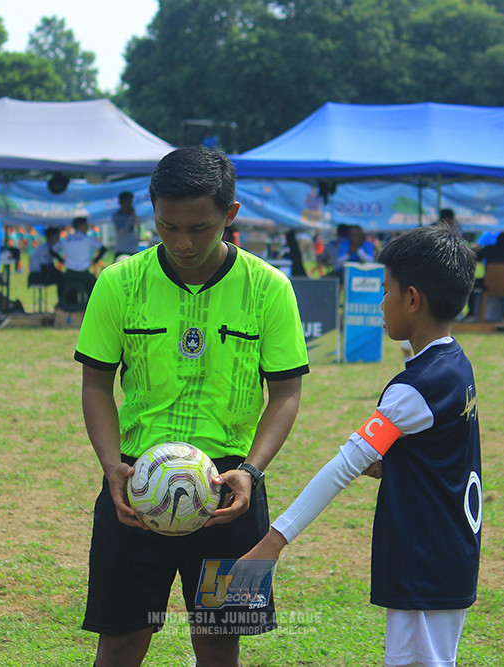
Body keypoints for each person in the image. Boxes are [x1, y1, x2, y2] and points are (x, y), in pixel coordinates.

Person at [73, 145, 310, 667]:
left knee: (220, 642)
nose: (181, 242)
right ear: (152, 211)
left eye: (199, 228)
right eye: (167, 226)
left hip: (231, 489)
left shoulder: (270, 289)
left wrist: (251, 470)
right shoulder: (118, 283)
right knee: (120, 639)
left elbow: (287, 393)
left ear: (230, 215)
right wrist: (111, 464)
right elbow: (96, 385)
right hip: (136, 481)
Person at [233, 223, 481, 667]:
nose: (380, 302)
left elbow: (343, 467)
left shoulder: (415, 389)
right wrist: (397, 465)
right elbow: (437, 450)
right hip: (448, 552)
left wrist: (272, 543)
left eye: (385, 290)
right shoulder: (454, 363)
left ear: (412, 299)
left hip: (424, 560)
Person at [467, 232, 504, 318]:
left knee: (471, 284)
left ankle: (471, 313)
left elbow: (476, 258)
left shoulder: (491, 249)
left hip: (488, 283)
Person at [58, 217, 106, 308]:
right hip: (84, 273)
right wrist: (95, 260)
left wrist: (61, 260)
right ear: (81, 226)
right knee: (96, 286)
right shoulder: (87, 239)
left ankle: (65, 306)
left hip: (69, 274)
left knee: (62, 284)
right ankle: (92, 307)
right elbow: (103, 249)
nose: (87, 227)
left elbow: (53, 249)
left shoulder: (67, 239)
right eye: (86, 225)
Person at [28, 226, 70, 310]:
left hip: (42, 273)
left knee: (63, 278)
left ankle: (63, 303)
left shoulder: (49, 248)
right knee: (62, 279)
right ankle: (62, 304)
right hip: (36, 276)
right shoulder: (44, 249)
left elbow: (54, 263)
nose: (59, 239)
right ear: (51, 237)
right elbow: (46, 268)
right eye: (57, 237)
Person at [111, 191, 141, 261]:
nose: (130, 205)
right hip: (121, 249)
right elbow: (122, 230)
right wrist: (130, 218)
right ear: (121, 202)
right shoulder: (116, 216)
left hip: (133, 249)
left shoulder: (134, 215)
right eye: (128, 202)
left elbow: (138, 227)